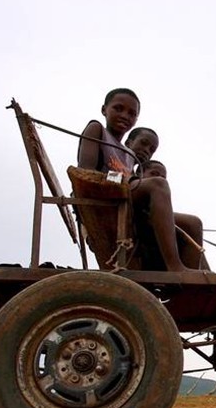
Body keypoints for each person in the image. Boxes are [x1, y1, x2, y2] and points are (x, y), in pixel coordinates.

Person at [77, 88, 201, 272]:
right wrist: (122, 180)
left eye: (132, 114)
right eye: (118, 108)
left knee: (193, 223)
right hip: (104, 200)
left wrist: (130, 181)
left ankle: (190, 289)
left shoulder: (128, 155)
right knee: (159, 184)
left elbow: (131, 181)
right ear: (104, 110)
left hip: (128, 206)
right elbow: (86, 172)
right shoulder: (97, 129)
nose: (125, 115)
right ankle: (175, 266)